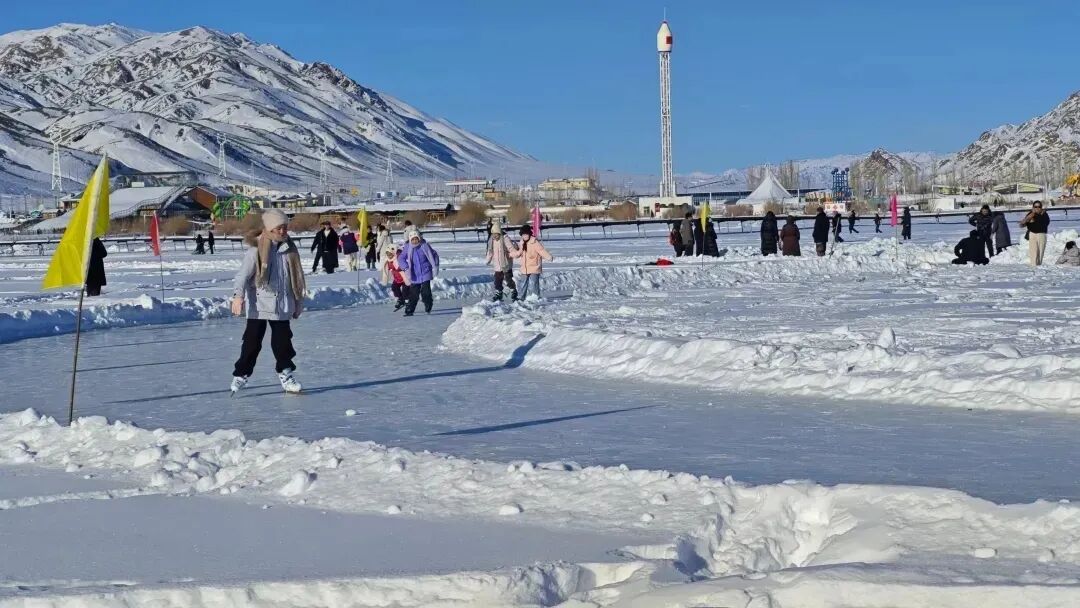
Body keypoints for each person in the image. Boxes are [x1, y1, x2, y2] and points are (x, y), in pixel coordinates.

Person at [229, 209, 305, 395]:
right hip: (259, 305)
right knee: (252, 343)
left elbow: (294, 280)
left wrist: (298, 302)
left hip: (282, 305)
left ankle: (285, 373)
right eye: (279, 228)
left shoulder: (290, 250)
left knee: (283, 344)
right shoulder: (256, 250)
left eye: (285, 227)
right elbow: (242, 277)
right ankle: (241, 374)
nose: (283, 231)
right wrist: (238, 296)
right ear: (269, 228)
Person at [398, 227, 439, 316]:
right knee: (414, 293)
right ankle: (410, 309)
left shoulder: (425, 245)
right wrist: (405, 267)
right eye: (412, 239)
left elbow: (434, 255)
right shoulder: (407, 247)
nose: (415, 241)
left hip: (426, 272)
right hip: (414, 274)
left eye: (416, 239)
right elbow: (401, 258)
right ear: (410, 240)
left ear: (419, 238)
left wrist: (435, 265)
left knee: (426, 292)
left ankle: (428, 303)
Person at [509, 225, 552, 299]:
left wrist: (549, 257)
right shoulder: (522, 243)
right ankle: (521, 297)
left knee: (534, 283)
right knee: (523, 283)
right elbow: (519, 253)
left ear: (529, 234)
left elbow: (541, 251)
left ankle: (535, 296)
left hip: (534, 266)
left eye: (526, 234)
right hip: (525, 267)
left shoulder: (534, 242)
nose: (525, 236)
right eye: (523, 235)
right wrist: (511, 254)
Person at [485, 220, 519, 301]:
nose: (494, 236)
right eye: (493, 234)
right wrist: (488, 260)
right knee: (497, 280)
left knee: (508, 279)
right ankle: (499, 293)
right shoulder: (492, 240)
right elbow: (490, 251)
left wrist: (516, 254)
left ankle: (513, 291)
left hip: (506, 263)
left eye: (495, 234)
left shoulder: (505, 238)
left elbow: (511, 248)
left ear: (499, 233)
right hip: (497, 264)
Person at [1019, 201, 1050, 266]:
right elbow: (1022, 224)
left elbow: (1045, 223)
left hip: (1041, 234)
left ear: (1041, 207)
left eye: (1039, 206)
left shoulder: (1044, 214)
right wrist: (1029, 218)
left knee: (1040, 252)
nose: (1037, 208)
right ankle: (1033, 265)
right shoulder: (1030, 214)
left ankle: (1039, 265)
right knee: (1033, 251)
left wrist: (1036, 219)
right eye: (1035, 206)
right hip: (1032, 234)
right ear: (1033, 207)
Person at [381, 244, 407, 310]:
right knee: (394, 288)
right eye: (388, 255)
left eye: (390, 254)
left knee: (405, 291)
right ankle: (400, 299)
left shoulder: (399, 258)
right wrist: (385, 279)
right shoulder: (388, 261)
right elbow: (386, 269)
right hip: (397, 278)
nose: (389, 256)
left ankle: (407, 300)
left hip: (405, 278)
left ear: (394, 253)